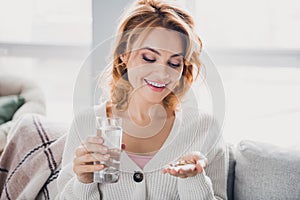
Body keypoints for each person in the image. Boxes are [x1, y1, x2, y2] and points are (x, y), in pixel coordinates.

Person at [56, 0, 228, 199]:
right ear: (124, 55)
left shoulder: (204, 129)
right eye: (148, 58)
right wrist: (84, 182)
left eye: (174, 63)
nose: (162, 73)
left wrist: (193, 180)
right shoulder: (86, 123)